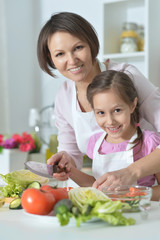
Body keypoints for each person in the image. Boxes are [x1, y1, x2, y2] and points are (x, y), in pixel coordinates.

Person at [37, 12, 160, 189]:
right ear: (50, 59)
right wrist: (64, 162)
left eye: (78, 47)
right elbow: (71, 153)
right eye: (60, 54)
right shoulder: (63, 96)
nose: (71, 60)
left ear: (91, 44)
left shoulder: (126, 76)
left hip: (147, 193)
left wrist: (131, 172)